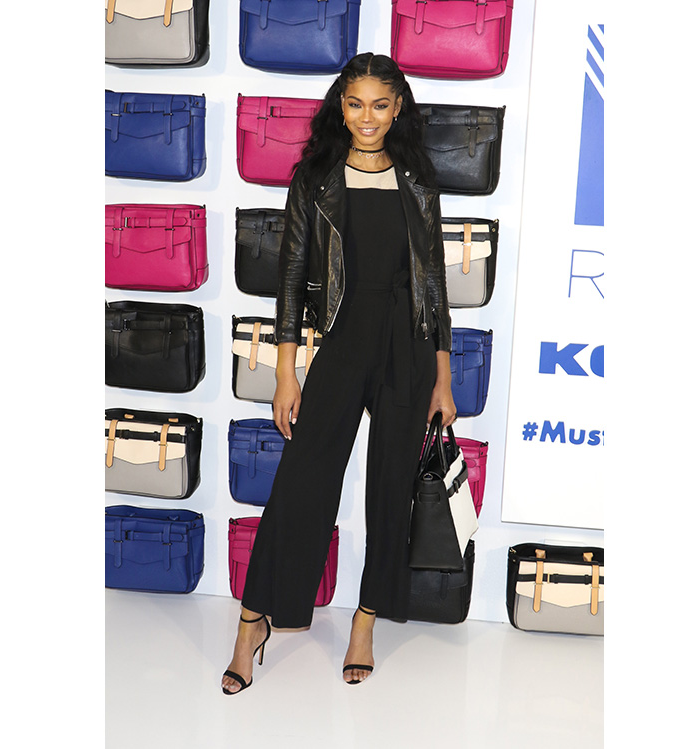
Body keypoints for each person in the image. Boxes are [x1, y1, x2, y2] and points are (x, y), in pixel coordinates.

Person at [221, 52, 456, 695]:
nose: (367, 117)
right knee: (302, 483)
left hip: (408, 348)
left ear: (399, 108)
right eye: (356, 104)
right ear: (341, 107)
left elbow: (433, 284)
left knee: (390, 491)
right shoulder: (317, 177)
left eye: (380, 104)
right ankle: (252, 622)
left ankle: (365, 622)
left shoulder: (417, 180)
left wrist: (443, 376)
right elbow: (291, 279)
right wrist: (287, 372)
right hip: (344, 342)